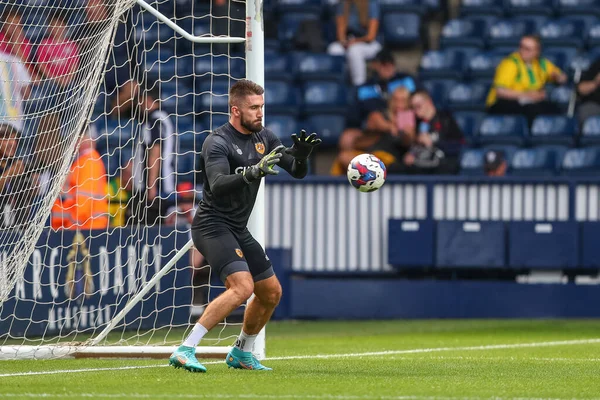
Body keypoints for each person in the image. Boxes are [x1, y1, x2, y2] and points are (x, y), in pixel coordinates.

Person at [169, 79, 321, 372]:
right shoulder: (217, 142)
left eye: (261, 107)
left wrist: (301, 158)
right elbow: (218, 183)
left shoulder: (264, 136)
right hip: (212, 225)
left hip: (237, 227)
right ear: (236, 110)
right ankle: (185, 348)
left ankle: (241, 352)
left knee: (271, 292)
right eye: (254, 108)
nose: (259, 113)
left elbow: (296, 171)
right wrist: (252, 173)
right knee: (242, 287)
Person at [486, 35, 567, 126]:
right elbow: (500, 92)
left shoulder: (541, 63)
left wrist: (557, 77)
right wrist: (528, 95)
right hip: (505, 103)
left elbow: (561, 77)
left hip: (529, 102)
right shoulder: (511, 63)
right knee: (531, 111)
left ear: (537, 51)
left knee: (553, 109)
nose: (523, 51)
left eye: (528, 49)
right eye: (521, 47)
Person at [51, 127, 109, 230]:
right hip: (76, 228)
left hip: (85, 230)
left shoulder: (89, 161)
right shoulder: (82, 161)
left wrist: (69, 230)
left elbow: (84, 203)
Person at [403, 89, 464, 174]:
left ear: (428, 102)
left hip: (442, 166)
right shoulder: (417, 123)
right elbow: (415, 147)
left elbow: (458, 144)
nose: (415, 111)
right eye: (413, 107)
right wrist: (411, 154)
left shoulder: (445, 119)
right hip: (422, 166)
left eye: (418, 106)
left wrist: (434, 142)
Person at [327, 0, 382, 86]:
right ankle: (336, 84)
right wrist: (344, 42)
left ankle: (359, 85)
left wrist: (354, 42)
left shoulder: (371, 3)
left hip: (369, 44)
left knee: (354, 50)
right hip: (350, 41)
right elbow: (340, 32)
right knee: (333, 49)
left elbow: (371, 36)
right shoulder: (342, 4)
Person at [576, 57, 600, 127]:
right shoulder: (597, 65)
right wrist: (596, 82)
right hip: (596, 105)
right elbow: (580, 89)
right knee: (584, 111)